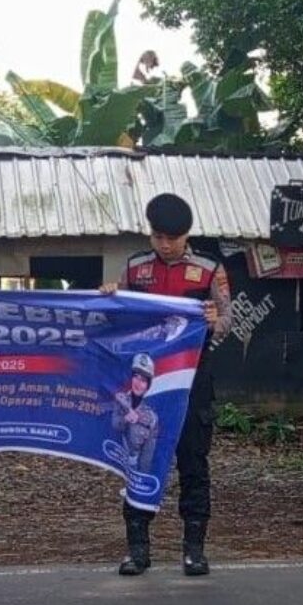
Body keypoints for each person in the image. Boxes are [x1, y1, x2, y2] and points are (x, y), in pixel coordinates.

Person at [101, 192, 233, 577]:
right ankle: (138, 550)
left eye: (172, 238)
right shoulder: (136, 267)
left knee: (193, 462)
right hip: (145, 382)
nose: (165, 245)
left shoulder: (209, 269)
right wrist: (110, 296)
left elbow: (227, 318)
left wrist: (215, 320)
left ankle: (194, 550)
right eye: (158, 237)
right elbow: (118, 316)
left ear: (186, 235)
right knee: (139, 459)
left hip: (192, 381)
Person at [112, 353, 159, 474]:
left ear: (148, 385)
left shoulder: (151, 413)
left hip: (138, 467)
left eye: (143, 380)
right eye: (136, 377)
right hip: (116, 460)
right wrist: (126, 419)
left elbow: (148, 454)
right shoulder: (121, 399)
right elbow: (114, 425)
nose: (138, 383)